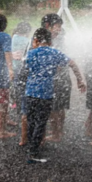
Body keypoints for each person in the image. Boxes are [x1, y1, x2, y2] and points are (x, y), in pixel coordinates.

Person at [24, 28, 86, 163]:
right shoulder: (55, 52)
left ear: (36, 40)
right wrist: (80, 80)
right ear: (51, 41)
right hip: (46, 94)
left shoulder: (30, 54)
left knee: (31, 121)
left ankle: (31, 147)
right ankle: (33, 152)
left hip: (30, 93)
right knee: (41, 123)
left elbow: (26, 69)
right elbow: (72, 64)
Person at [39, 14, 70, 143]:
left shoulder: (56, 39)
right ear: (48, 26)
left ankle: (57, 133)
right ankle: (58, 131)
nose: (60, 29)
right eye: (58, 26)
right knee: (58, 106)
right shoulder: (51, 38)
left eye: (60, 26)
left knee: (55, 107)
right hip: (60, 77)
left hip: (58, 78)